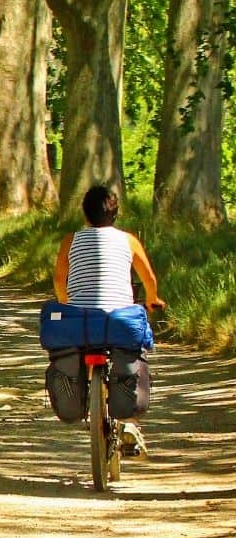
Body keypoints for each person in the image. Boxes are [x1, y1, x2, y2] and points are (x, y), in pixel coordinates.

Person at [52, 184, 167, 456]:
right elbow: (149, 278)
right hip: (119, 321)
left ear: (85, 214)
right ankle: (128, 423)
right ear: (115, 214)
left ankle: (79, 396)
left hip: (81, 322)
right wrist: (152, 298)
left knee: (77, 351)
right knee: (130, 351)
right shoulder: (128, 241)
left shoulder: (71, 240)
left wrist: (67, 305)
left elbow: (59, 278)